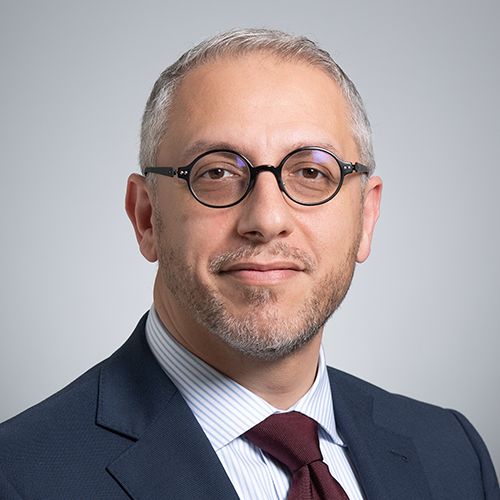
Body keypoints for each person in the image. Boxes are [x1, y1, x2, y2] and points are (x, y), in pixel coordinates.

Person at [0, 28, 498, 500]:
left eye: (311, 172)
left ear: (366, 218)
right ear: (146, 217)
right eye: (217, 172)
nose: (267, 219)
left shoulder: (453, 454)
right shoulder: (19, 477)